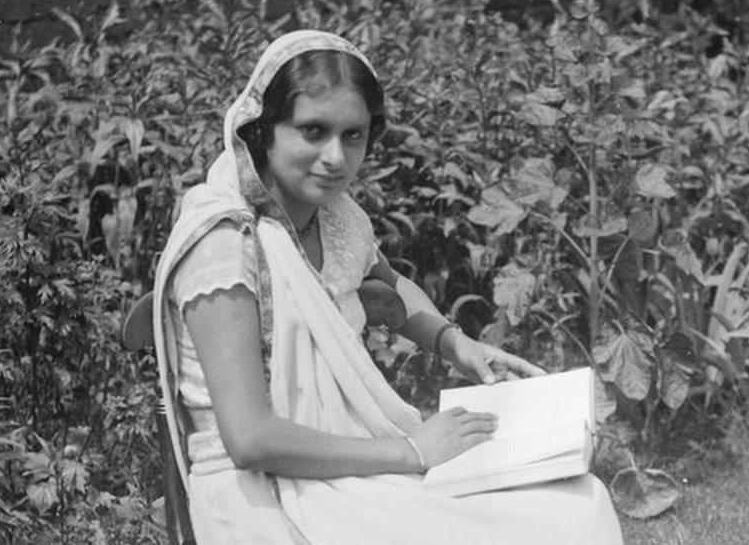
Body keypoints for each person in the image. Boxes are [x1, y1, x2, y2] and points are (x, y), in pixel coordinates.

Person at [152, 29, 623, 544]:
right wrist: (413, 453)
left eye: (352, 135)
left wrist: (453, 342)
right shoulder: (224, 242)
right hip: (262, 493)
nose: (334, 156)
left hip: (349, 459)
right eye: (313, 131)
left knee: (577, 502)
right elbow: (250, 440)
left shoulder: (333, 218)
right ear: (263, 130)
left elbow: (391, 286)